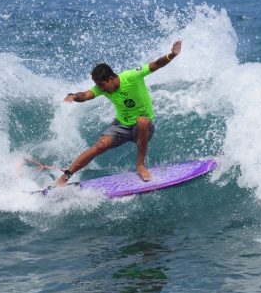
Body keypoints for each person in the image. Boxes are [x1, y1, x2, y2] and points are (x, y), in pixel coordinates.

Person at [55, 40, 182, 187]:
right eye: (98, 86)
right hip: (121, 125)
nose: (100, 89)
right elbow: (85, 95)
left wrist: (172, 55)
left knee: (142, 120)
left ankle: (140, 166)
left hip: (143, 127)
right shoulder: (102, 88)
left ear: (111, 79)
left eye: (102, 85)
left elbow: (155, 65)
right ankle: (66, 176)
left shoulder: (131, 77)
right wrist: (74, 96)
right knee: (100, 145)